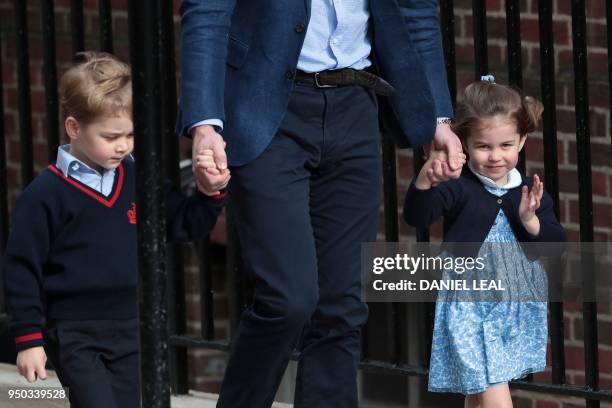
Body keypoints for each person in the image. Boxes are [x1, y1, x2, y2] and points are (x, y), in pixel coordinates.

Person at [178, 1, 465, 406]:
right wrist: (205, 124)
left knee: (341, 307)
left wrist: (438, 118)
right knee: (289, 299)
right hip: (266, 108)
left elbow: (415, 11)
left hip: (356, 105)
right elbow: (207, 13)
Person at [2, 52, 228, 408]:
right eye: (110, 136)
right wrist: (29, 340)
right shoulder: (45, 195)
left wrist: (210, 193)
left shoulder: (142, 179)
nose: (123, 145)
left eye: (130, 134)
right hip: (75, 332)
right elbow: (21, 269)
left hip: (134, 328)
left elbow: (184, 225)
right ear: (74, 127)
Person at [404, 77, 566, 408]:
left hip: (513, 305)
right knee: (492, 389)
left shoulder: (527, 193)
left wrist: (531, 221)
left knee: (479, 392)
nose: (495, 157)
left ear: (521, 141)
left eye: (506, 145)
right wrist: (424, 181)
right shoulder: (459, 186)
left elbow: (556, 244)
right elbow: (417, 216)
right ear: (464, 141)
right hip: (470, 304)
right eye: (483, 146)